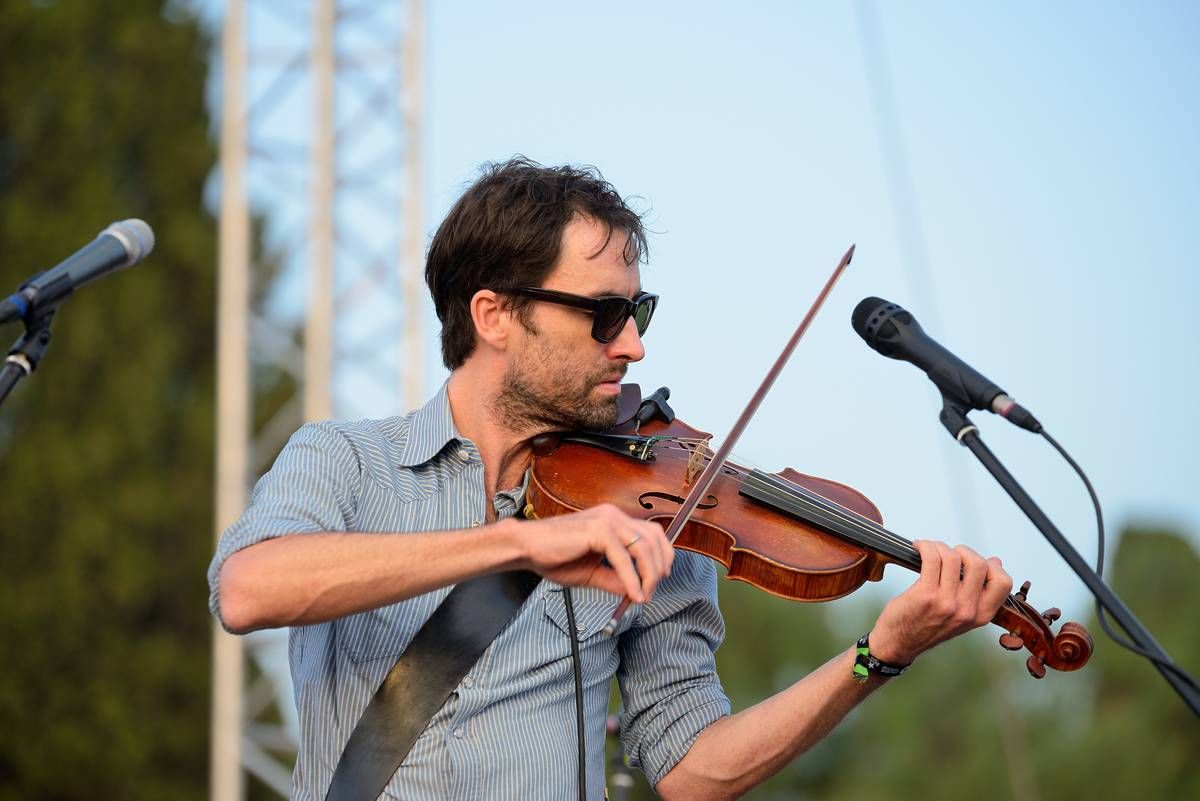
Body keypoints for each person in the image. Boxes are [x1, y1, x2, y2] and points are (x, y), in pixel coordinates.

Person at [208, 157, 1013, 801]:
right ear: (494, 316)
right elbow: (247, 590)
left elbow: (694, 769)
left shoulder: (663, 512)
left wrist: (878, 655)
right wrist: (517, 541)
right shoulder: (347, 459)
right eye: (602, 314)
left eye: (638, 311)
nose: (632, 346)